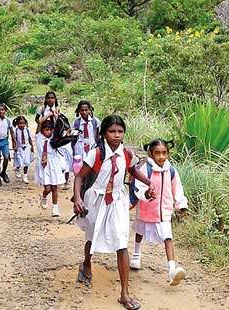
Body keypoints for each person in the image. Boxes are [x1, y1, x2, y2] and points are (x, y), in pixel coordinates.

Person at [73, 115, 155, 310]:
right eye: (112, 131)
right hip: (96, 199)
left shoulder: (126, 153)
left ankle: (124, 293)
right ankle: (86, 263)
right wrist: (77, 197)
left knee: (120, 241)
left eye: (120, 131)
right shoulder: (96, 154)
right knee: (92, 235)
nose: (116, 135)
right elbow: (79, 177)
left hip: (117, 200)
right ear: (103, 134)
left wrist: (149, 182)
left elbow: (132, 170)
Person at [129, 139, 188, 286]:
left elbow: (177, 189)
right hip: (146, 209)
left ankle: (172, 269)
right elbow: (139, 186)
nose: (161, 156)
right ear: (151, 153)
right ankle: (136, 254)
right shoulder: (145, 169)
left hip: (164, 211)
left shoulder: (171, 171)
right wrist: (146, 195)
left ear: (168, 153)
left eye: (164, 153)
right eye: (157, 153)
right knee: (139, 231)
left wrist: (181, 205)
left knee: (168, 237)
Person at [35, 120, 65, 217]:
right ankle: (44, 196)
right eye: (46, 130)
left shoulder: (54, 139)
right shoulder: (39, 137)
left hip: (53, 163)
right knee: (47, 188)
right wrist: (48, 115)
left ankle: (55, 208)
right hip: (44, 164)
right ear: (42, 130)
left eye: (50, 130)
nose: (49, 132)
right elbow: (40, 123)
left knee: (54, 187)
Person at [12, 116, 34, 184]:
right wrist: (14, 147)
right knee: (19, 161)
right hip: (19, 147)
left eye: (23, 123)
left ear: (25, 123)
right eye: (20, 123)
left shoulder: (27, 130)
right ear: (17, 124)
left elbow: (29, 138)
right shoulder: (15, 131)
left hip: (27, 147)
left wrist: (32, 146)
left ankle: (25, 175)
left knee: (27, 162)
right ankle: (17, 168)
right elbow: (13, 139)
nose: (21, 125)